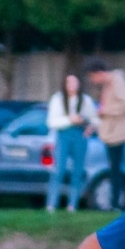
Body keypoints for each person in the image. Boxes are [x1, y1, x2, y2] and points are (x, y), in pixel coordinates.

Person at [45, 73, 98, 213]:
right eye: (69, 82)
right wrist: (70, 120)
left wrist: (90, 127)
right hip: (63, 135)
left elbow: (95, 119)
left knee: (78, 171)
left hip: (79, 135)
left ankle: (72, 205)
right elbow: (51, 122)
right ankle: (51, 204)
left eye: (75, 82)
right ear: (65, 84)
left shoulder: (85, 100)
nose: (72, 85)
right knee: (59, 169)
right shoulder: (57, 99)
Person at [87, 59, 125, 211]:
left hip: (117, 134)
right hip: (110, 134)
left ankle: (116, 203)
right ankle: (114, 203)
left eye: (92, 77)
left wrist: (105, 111)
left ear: (99, 73)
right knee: (113, 169)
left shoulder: (117, 81)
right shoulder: (107, 85)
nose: (92, 81)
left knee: (116, 170)